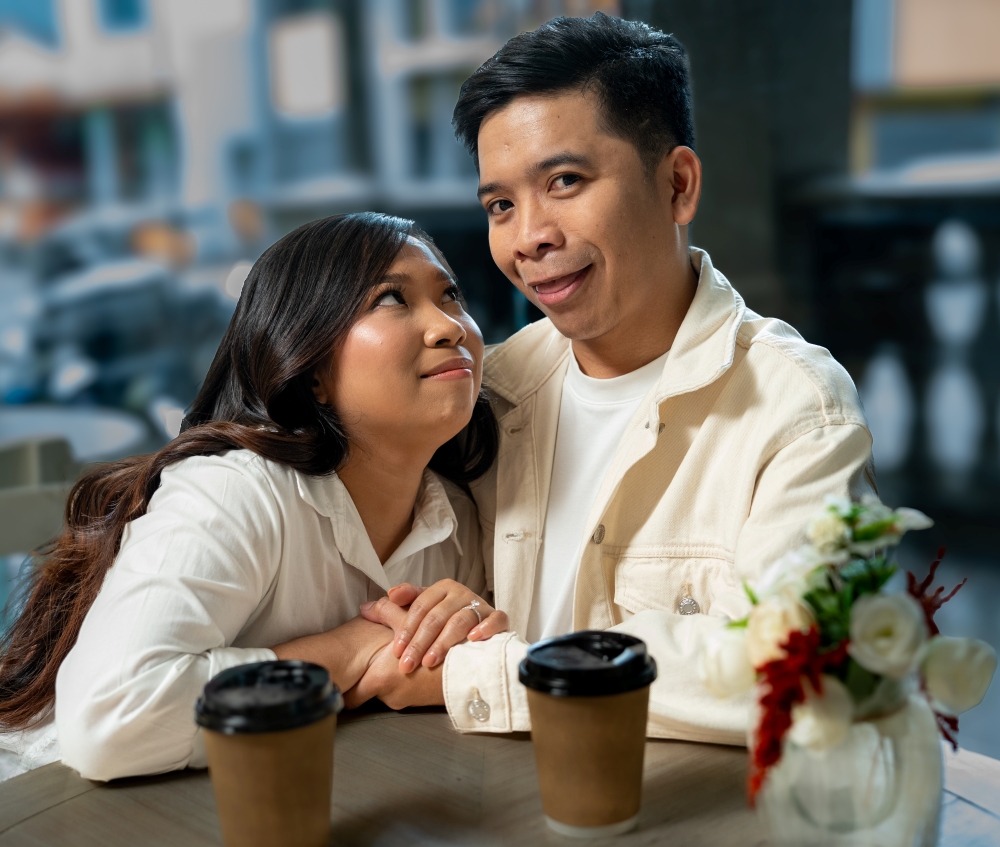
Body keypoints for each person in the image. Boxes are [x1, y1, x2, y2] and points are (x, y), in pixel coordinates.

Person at [355, 14, 876, 743]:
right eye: (501, 204)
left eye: (564, 181)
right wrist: (447, 621)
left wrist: (479, 674)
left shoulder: (797, 409)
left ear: (678, 185)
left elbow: (799, 676)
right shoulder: (485, 390)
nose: (529, 236)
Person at [0, 213, 508, 781]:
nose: (449, 327)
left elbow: (414, 684)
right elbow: (111, 720)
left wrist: (463, 641)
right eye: (391, 299)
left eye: (452, 295)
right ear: (310, 368)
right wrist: (347, 651)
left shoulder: (457, 518)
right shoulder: (237, 491)